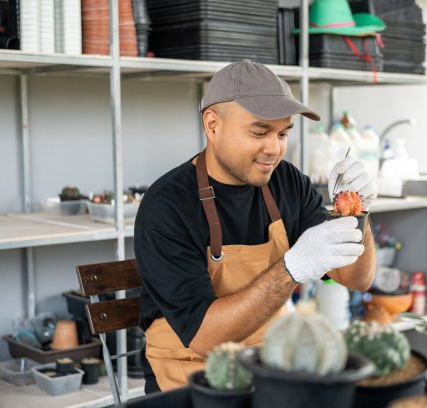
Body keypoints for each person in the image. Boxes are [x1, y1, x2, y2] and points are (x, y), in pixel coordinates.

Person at [135, 59, 378, 392]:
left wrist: (357, 214)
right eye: (259, 132)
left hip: (273, 366)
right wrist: (292, 269)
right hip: (193, 379)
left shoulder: (288, 183)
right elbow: (207, 339)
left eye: (282, 134)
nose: (274, 149)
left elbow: (357, 278)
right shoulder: (167, 206)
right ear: (212, 125)